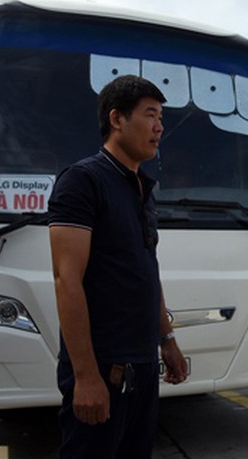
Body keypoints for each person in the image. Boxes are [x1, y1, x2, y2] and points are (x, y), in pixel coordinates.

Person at [48, 74, 189, 458]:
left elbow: (147, 272)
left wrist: (167, 340)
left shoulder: (143, 188)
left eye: (161, 116)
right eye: (150, 114)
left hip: (142, 365)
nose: (160, 126)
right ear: (117, 119)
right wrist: (86, 376)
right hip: (104, 367)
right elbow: (66, 280)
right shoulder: (83, 181)